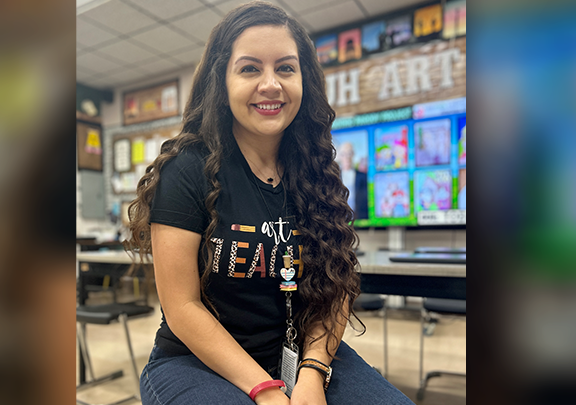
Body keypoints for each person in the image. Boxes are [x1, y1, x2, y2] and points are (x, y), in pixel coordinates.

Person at [128, 2, 415, 404]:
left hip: (299, 355)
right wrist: (266, 389)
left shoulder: (314, 169)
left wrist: (313, 373)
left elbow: (336, 286)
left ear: (304, 80)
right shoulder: (187, 169)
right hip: (195, 360)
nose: (271, 84)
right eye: (249, 69)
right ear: (221, 81)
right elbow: (182, 307)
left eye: (285, 68)